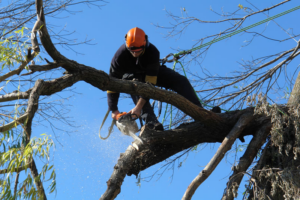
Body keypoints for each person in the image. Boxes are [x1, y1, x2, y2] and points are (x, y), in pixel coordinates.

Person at [107, 27, 202, 130]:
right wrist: (114, 110)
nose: (135, 53)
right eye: (132, 50)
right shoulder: (119, 57)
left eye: (138, 50)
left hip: (150, 73)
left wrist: (138, 108)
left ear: (144, 44)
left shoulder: (152, 52)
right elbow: (112, 84)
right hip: (131, 77)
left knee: (180, 81)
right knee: (135, 86)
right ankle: (152, 124)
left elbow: (149, 85)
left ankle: (201, 113)